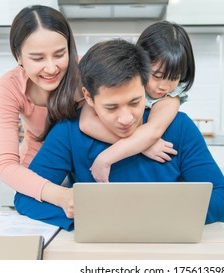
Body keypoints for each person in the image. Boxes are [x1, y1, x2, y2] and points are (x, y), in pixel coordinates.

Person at [14, 39, 224, 231]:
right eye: (111, 107)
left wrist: (146, 215)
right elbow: (25, 199)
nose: (126, 118)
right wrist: (81, 215)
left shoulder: (179, 128)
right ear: (88, 98)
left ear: (145, 87)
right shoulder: (68, 132)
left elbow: (223, 202)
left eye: (135, 102)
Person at [78, 21, 195, 182]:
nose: (164, 86)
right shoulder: (114, 86)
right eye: (157, 76)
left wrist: (106, 158)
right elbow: (86, 123)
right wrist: (144, 146)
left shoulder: (170, 98)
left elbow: (153, 132)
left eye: (174, 78)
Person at [0, 5, 83, 212]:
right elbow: (6, 164)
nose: (51, 68)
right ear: (18, 56)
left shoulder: (86, 73)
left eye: (60, 54)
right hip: (37, 175)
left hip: (83, 172)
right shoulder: (10, 85)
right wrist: (58, 195)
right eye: (38, 58)